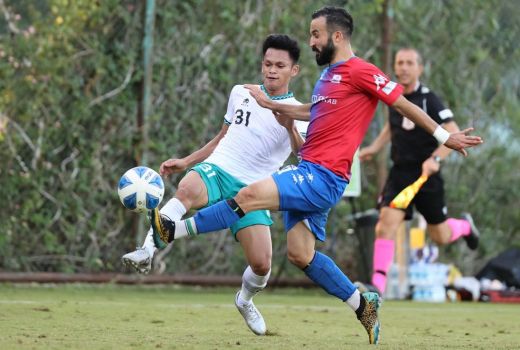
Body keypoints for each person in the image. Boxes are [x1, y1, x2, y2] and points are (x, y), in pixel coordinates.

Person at [148, 7, 483, 345]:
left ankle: (173, 229)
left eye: (315, 34)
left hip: (323, 176)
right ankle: (361, 303)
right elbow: (312, 111)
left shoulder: (361, 71)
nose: (311, 42)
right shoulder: (329, 76)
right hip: (310, 170)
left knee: (248, 196)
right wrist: (271, 105)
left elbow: (401, 103)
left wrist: (444, 136)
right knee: (300, 254)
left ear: (337, 36)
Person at [122, 34, 308, 336]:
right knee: (186, 189)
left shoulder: (299, 112)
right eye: (267, 64)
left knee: (262, 265)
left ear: (294, 71)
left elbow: (302, 155)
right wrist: (186, 161)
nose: (272, 70)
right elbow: (223, 136)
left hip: (254, 189)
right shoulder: (241, 92)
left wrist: (288, 126)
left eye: (280, 66)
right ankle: (146, 250)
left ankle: (245, 300)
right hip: (219, 168)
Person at [357, 48, 481, 296]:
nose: (403, 67)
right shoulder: (393, 95)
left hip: (427, 176)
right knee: (385, 225)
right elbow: (392, 128)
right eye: (399, 63)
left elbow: (453, 129)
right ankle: (376, 289)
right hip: (401, 175)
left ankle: (464, 226)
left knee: (441, 236)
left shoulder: (428, 99)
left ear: (419, 68)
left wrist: (435, 158)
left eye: (409, 63)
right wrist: (374, 148)